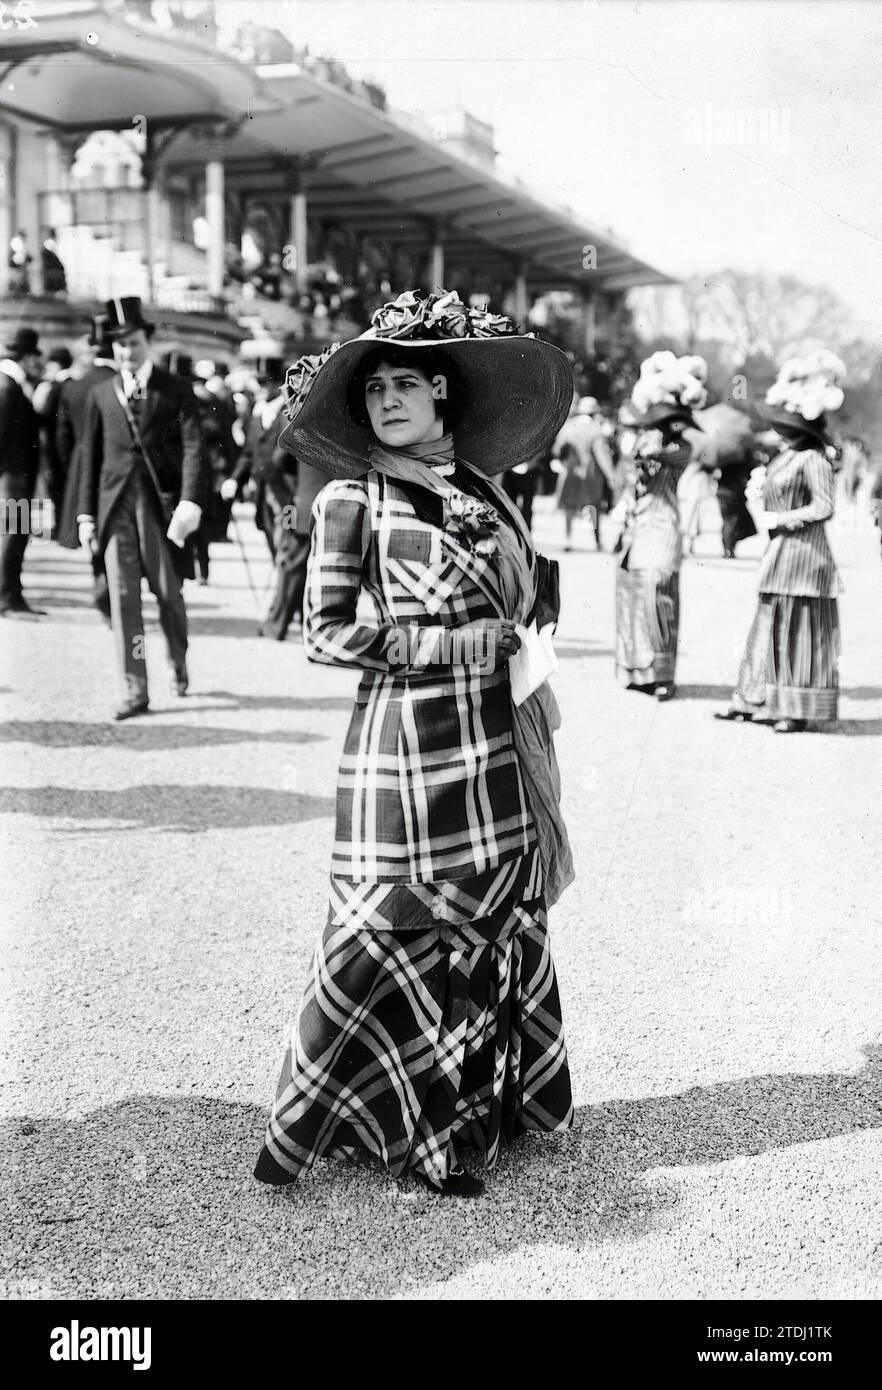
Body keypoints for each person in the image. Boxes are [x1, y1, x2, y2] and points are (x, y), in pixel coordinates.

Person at [253, 288, 575, 1198]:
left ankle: (467, 1131)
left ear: (441, 394)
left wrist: (532, 613)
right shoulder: (352, 501)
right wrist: (451, 644)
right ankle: (350, 1134)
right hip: (404, 750)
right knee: (388, 933)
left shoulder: (485, 491)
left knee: (484, 928)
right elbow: (325, 634)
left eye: (405, 384)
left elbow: (517, 597)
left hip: (497, 744)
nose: (387, 401)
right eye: (374, 389)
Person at [78, 297, 206, 720]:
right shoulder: (100, 393)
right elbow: (89, 458)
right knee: (124, 599)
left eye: (132, 343)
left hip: (160, 510)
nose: (126, 353)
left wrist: (190, 500)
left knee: (169, 596)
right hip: (115, 509)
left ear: (147, 341)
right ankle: (135, 688)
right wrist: (85, 515)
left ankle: (179, 662)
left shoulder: (175, 390)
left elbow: (193, 448)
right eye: (118, 346)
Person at [716, 351, 846, 733]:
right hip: (781, 553)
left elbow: (824, 507)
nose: (779, 430)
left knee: (798, 633)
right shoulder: (785, 457)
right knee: (768, 625)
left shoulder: (814, 460)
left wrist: (782, 518)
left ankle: (796, 708)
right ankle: (754, 698)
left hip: (806, 556)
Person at [615, 353, 708, 701]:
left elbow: (653, 457)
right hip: (637, 525)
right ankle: (641, 669)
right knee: (634, 593)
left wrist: (648, 441)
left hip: (663, 524)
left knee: (658, 592)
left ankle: (664, 673)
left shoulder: (679, 448)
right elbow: (632, 461)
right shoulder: (643, 441)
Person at [54, 315, 117, 619]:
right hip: (115, 465)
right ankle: (112, 590)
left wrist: (72, 469)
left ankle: (100, 582)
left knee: (91, 527)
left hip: (82, 466)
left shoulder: (74, 386)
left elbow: (62, 438)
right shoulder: (120, 383)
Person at [0, 326, 45, 616]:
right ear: (26, 357)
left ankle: (11, 595)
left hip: (13, 477)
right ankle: (7, 597)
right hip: (12, 478)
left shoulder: (9, 383)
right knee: (13, 532)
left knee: (16, 532)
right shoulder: (7, 386)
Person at [552, 395, 615, 550]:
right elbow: (602, 456)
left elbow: (557, 449)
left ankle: (567, 540)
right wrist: (610, 476)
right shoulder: (596, 429)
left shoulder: (568, 426)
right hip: (591, 475)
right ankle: (597, 541)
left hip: (570, 472)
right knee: (592, 508)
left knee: (569, 507)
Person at [33, 346, 75, 540]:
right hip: (74, 449)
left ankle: (60, 529)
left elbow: (42, 419)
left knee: (57, 490)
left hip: (55, 450)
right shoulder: (76, 385)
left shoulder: (52, 388)